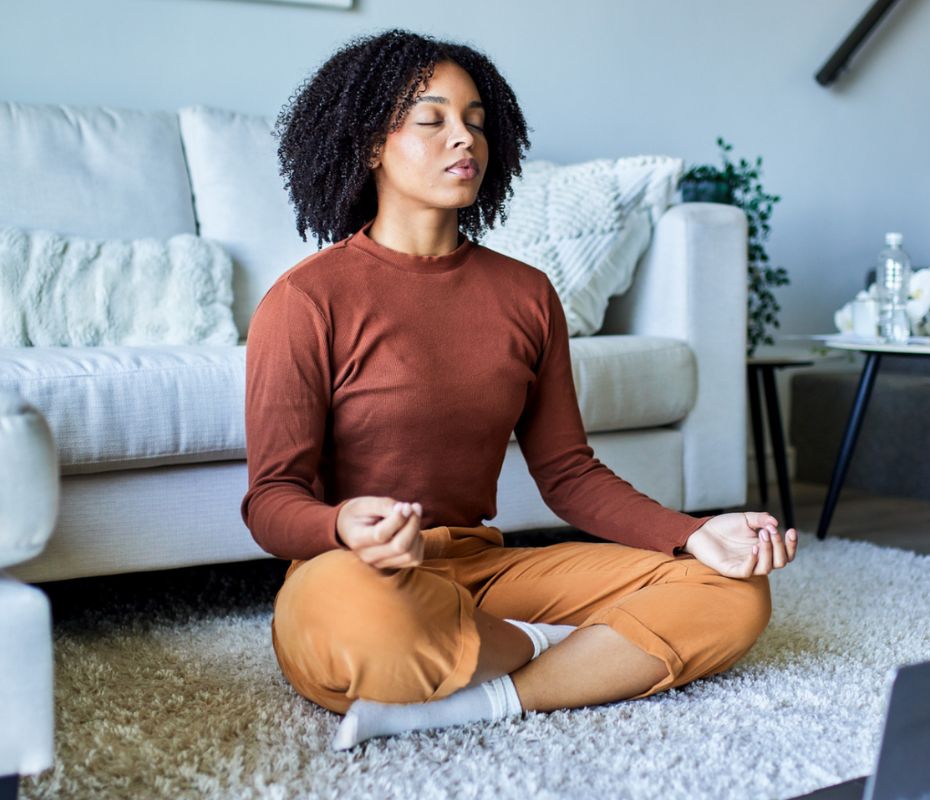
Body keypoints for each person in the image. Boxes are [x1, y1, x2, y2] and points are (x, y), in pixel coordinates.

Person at [240, 28, 799, 752]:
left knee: (732, 591)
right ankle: (565, 647)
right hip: (361, 577)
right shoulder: (305, 301)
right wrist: (342, 526)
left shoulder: (527, 295)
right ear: (371, 144)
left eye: (476, 120)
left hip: (485, 568)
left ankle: (479, 694)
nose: (463, 138)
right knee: (357, 625)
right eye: (431, 118)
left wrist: (693, 533)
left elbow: (569, 473)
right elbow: (272, 498)